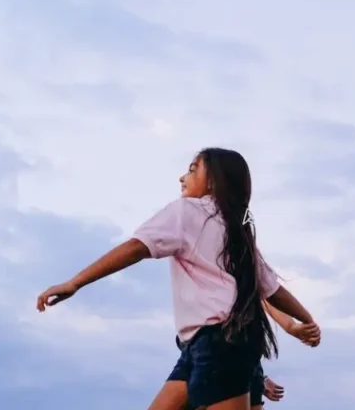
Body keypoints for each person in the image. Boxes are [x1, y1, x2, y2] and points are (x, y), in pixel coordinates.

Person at [36, 147, 321, 410]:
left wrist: (75, 282)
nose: (182, 177)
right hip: (205, 346)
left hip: (220, 344)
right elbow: (273, 291)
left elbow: (136, 247)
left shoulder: (189, 212)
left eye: (193, 169)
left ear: (213, 181)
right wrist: (306, 320)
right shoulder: (236, 231)